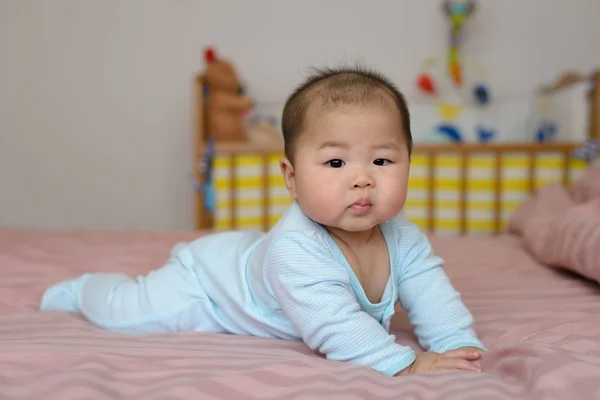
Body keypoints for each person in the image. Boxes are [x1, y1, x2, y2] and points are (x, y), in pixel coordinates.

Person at [40, 65, 486, 377]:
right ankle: (83, 290)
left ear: (410, 163)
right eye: (334, 162)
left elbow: (433, 295)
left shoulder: (403, 237)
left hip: (247, 254)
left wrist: (457, 345)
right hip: (207, 285)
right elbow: (337, 328)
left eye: (383, 159)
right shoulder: (296, 250)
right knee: (129, 310)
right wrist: (405, 365)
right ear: (291, 178)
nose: (362, 179)